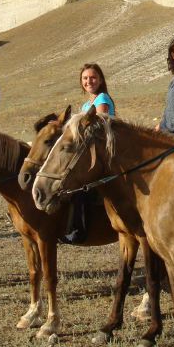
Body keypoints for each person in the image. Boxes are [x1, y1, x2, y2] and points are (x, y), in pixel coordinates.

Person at [61, 63, 115, 244]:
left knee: (80, 185)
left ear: (100, 80)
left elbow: (97, 127)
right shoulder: (87, 103)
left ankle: (79, 230)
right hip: (88, 151)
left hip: (101, 152)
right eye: (85, 78)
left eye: (92, 77)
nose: (89, 81)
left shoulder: (102, 99)